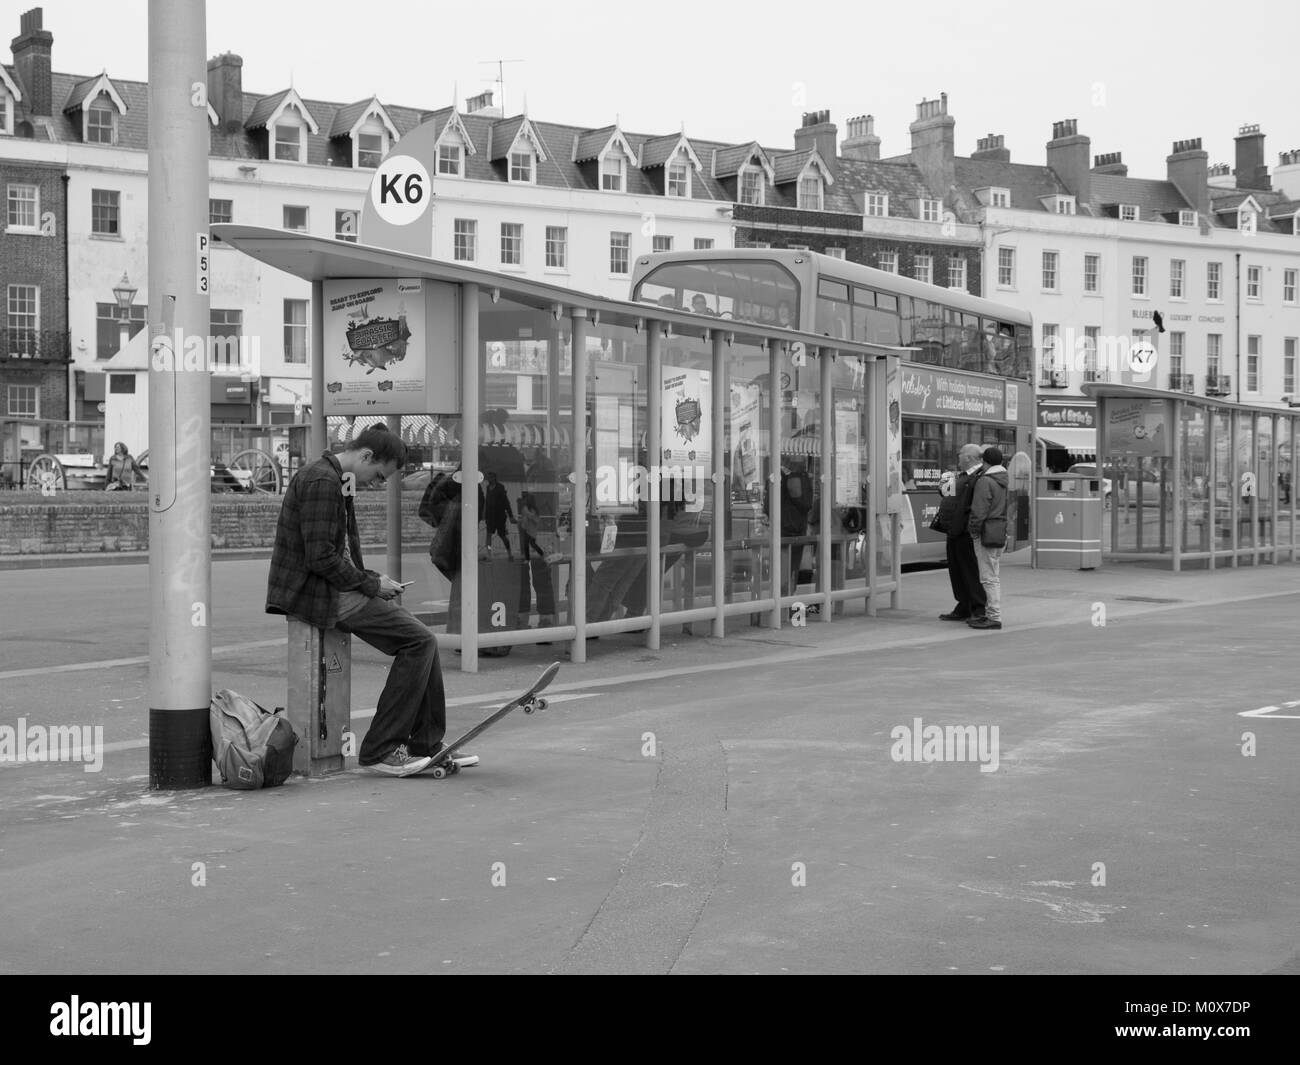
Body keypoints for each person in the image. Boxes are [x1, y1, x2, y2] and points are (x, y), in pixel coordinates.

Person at [265, 425, 453, 777]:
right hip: (318, 594)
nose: (376, 482)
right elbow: (320, 557)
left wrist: (373, 583)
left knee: (421, 641)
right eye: (379, 474)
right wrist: (370, 583)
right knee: (419, 640)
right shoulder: (322, 482)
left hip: (333, 589)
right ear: (366, 456)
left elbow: (338, 552)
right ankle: (382, 748)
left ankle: (425, 745)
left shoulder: (333, 478)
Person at [939, 443, 987, 622]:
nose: (957, 457)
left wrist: (970, 527)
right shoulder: (962, 475)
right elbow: (945, 494)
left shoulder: (979, 476)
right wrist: (944, 484)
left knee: (970, 570)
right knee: (957, 570)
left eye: (960, 454)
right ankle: (964, 605)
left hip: (965, 531)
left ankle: (978, 608)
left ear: (968, 457)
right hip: (954, 529)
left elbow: (978, 505)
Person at [967, 446, 1009, 631]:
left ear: (985, 462)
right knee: (993, 574)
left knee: (988, 577)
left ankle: (993, 616)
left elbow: (979, 509)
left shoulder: (985, 481)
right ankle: (993, 614)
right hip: (999, 530)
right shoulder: (1003, 479)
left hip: (986, 532)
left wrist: (973, 530)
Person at [516, 490, 557, 629]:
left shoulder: (530, 503)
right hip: (531, 535)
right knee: (535, 577)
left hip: (534, 534)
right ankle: (544, 620)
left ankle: (525, 620)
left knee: (531, 577)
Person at [483, 470, 515, 558]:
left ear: (494, 478)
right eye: (488, 477)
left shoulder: (500, 487)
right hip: (490, 516)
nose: (488, 479)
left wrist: (510, 516)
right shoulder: (487, 487)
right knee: (488, 534)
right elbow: (487, 501)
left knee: (503, 536)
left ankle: (509, 553)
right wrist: (484, 514)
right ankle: (489, 553)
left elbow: (506, 502)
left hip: (499, 516)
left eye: (490, 477)